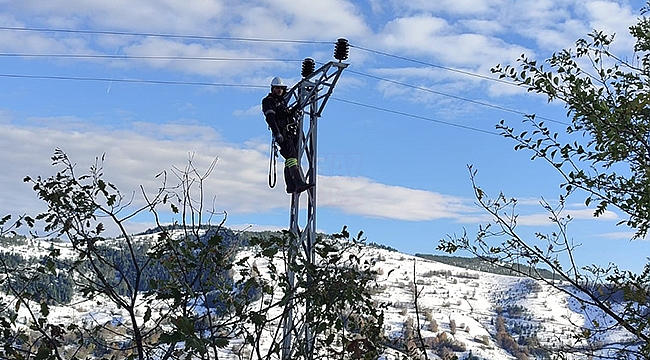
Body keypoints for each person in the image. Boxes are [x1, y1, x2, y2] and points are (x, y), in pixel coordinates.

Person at [262, 76, 314, 194]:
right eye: (277, 88)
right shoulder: (269, 101)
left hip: (290, 132)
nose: (279, 90)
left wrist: (299, 105)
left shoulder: (282, 102)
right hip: (282, 133)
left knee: (291, 158)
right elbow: (270, 118)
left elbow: (287, 113)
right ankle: (298, 183)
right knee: (292, 157)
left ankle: (290, 185)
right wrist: (277, 133)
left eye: (281, 88)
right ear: (272, 89)